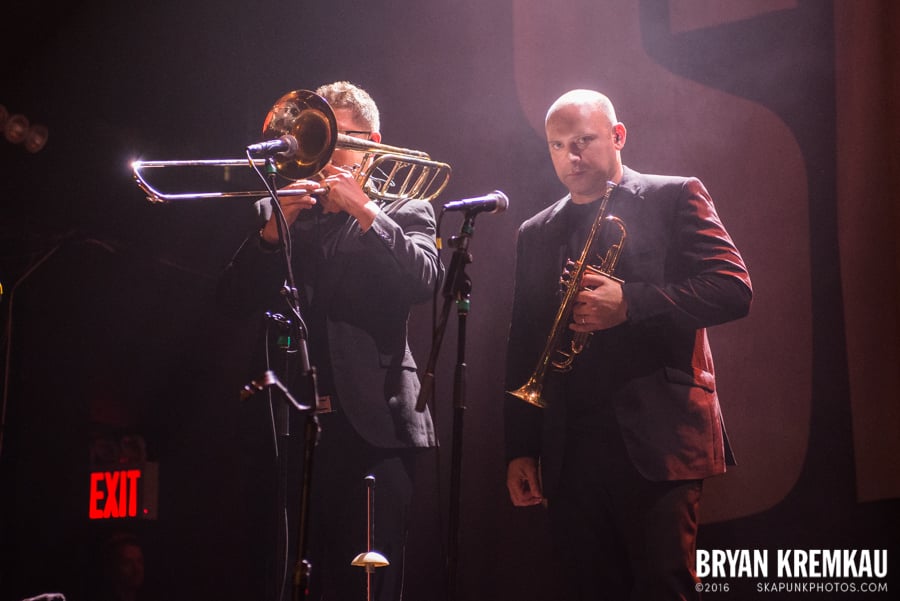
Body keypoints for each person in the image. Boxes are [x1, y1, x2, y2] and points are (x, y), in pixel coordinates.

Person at [504, 89, 752, 600]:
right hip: (571, 445)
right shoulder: (536, 231)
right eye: (556, 146)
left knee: (664, 585)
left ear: (617, 136)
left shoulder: (674, 195)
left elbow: (733, 289)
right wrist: (521, 448)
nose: (569, 157)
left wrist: (631, 303)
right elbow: (525, 343)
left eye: (583, 142)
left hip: (658, 438)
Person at [218, 81, 441, 601]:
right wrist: (277, 229)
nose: (321, 151)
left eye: (339, 137)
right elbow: (230, 301)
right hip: (297, 425)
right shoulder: (285, 211)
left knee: (370, 584)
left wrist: (366, 212)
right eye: (318, 135)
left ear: (374, 141)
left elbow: (424, 281)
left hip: (378, 424)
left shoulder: (407, 206)